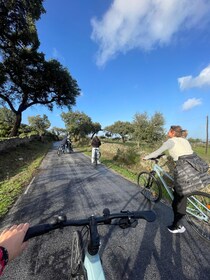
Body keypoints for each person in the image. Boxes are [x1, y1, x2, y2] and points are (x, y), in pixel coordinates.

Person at [143, 125, 209, 234]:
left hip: (184, 173)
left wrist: (146, 157)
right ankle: (183, 203)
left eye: (169, 131)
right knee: (181, 194)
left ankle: (176, 226)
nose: (168, 133)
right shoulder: (184, 140)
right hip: (194, 171)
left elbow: (157, 152)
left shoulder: (170, 141)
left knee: (177, 202)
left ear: (172, 132)